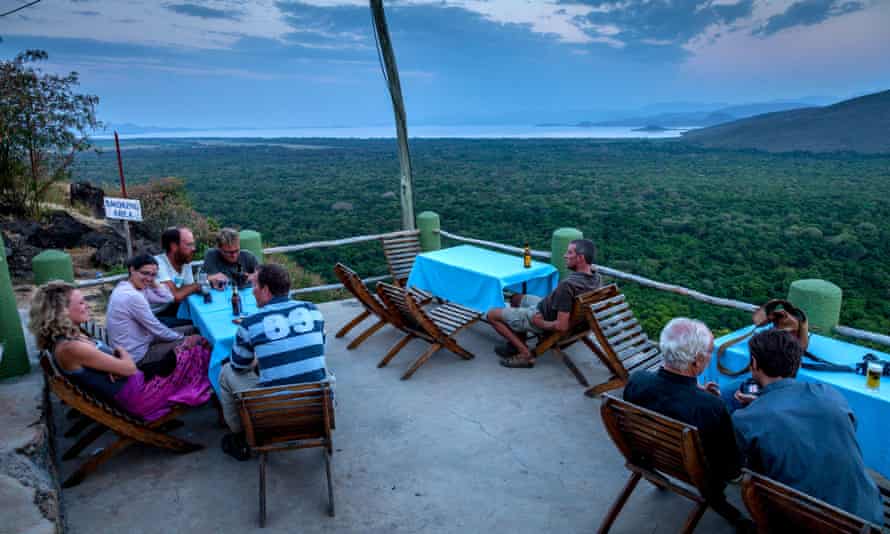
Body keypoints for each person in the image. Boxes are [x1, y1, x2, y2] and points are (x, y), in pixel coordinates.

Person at [732, 329, 883, 525]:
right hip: (868, 516)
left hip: (804, 524)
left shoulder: (746, 419)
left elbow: (735, 468)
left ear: (753, 363)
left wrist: (758, 408)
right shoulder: (829, 394)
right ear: (798, 362)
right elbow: (850, 427)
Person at [623, 318, 749, 530]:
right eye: (710, 351)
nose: (710, 356)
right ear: (697, 361)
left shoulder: (637, 380)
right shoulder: (710, 407)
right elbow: (731, 469)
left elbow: (667, 396)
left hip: (651, 454)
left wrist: (697, 392)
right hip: (697, 471)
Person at [29, 281, 212, 421]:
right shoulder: (71, 348)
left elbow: (119, 365)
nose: (87, 306)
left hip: (136, 383)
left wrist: (115, 364)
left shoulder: (70, 338)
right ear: (62, 311)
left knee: (192, 346)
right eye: (81, 302)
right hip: (141, 396)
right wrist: (120, 359)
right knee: (198, 348)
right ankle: (227, 408)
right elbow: (129, 368)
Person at [217, 263, 327, 460]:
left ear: (266, 289)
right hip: (319, 409)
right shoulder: (314, 311)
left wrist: (257, 359)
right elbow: (318, 348)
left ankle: (240, 435)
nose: (252, 292)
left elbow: (239, 366)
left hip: (274, 414)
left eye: (254, 286)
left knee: (226, 372)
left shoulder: (250, 323)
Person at [486, 239, 601, 368]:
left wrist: (540, 322)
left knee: (491, 315)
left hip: (540, 316)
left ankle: (525, 354)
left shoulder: (568, 285)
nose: (565, 256)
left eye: (569, 253)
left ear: (580, 258)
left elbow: (562, 326)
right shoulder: (595, 277)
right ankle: (516, 343)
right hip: (548, 307)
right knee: (515, 298)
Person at [106, 255, 204, 373]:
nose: (148, 278)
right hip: (137, 356)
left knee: (195, 328)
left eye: (153, 275)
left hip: (141, 341)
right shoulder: (132, 296)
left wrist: (153, 282)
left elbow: (169, 298)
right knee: (198, 340)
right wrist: (184, 339)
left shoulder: (131, 286)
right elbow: (157, 328)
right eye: (145, 273)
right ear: (132, 270)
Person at [153, 226, 201, 325]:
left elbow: (189, 290)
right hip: (152, 316)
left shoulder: (185, 263)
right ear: (174, 246)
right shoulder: (157, 264)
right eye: (189, 245)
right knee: (196, 324)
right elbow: (176, 296)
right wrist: (202, 282)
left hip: (170, 307)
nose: (194, 248)